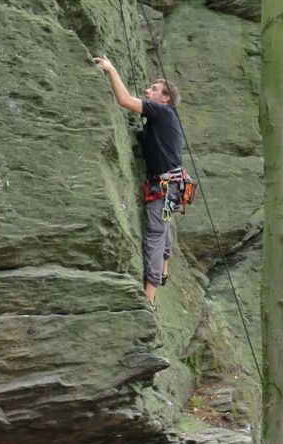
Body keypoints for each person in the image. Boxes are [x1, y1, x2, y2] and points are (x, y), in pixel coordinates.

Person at [93, 55, 183, 308]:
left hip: (165, 187)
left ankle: (149, 298)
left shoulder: (163, 111)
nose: (147, 90)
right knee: (163, 228)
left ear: (165, 98)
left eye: (153, 89)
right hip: (172, 186)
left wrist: (111, 70)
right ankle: (163, 269)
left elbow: (124, 101)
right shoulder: (165, 118)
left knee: (155, 233)